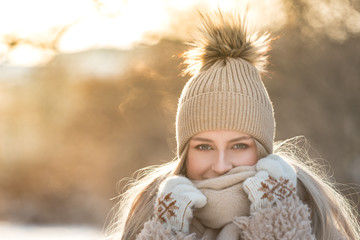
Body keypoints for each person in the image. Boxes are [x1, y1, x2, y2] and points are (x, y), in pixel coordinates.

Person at [105, 10, 360, 240]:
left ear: (262, 150)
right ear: (184, 153)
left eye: (239, 145)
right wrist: (166, 233)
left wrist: (277, 221)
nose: (221, 165)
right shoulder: (149, 219)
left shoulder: (315, 219)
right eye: (204, 147)